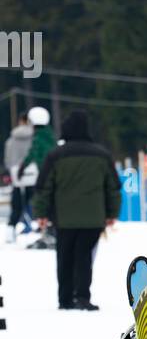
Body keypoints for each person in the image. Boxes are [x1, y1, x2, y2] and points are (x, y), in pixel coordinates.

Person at [31, 109, 120, 310]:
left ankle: (64, 299)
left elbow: (44, 187)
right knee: (84, 257)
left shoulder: (55, 155)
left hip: (63, 218)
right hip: (93, 218)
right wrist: (112, 213)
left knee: (64, 256)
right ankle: (82, 296)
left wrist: (41, 213)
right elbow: (113, 186)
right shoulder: (102, 155)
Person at [20, 107, 58, 249]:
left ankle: (49, 233)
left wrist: (22, 167)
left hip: (45, 175)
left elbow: (32, 154)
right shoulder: (50, 135)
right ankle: (52, 231)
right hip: (56, 175)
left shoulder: (38, 138)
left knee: (43, 203)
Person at [3, 112, 34, 241]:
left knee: (17, 204)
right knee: (32, 202)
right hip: (33, 175)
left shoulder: (12, 139)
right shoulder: (35, 137)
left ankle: (11, 230)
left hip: (17, 175)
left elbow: (8, 159)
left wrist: (10, 171)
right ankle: (32, 226)